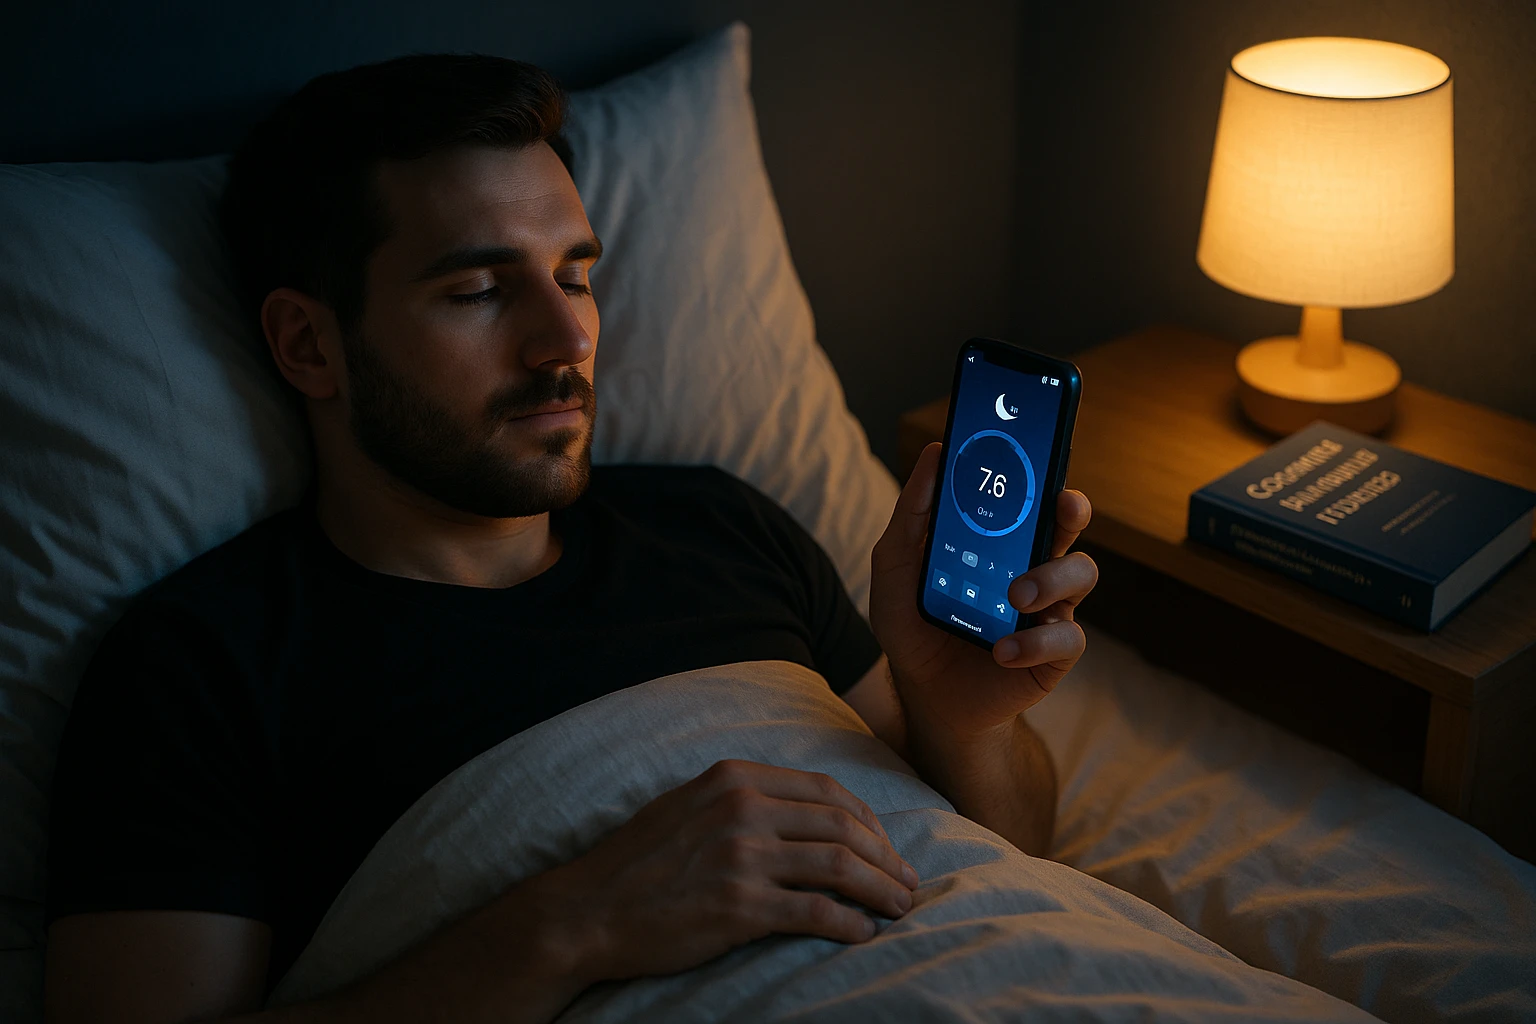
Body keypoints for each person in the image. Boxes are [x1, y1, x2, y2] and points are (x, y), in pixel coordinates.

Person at [42, 53, 1099, 1024]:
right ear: (309, 344)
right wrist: (579, 920)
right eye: (478, 290)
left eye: (575, 274)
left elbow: (1005, 856)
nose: (569, 340)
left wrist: (962, 723)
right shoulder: (203, 664)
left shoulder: (721, 522)